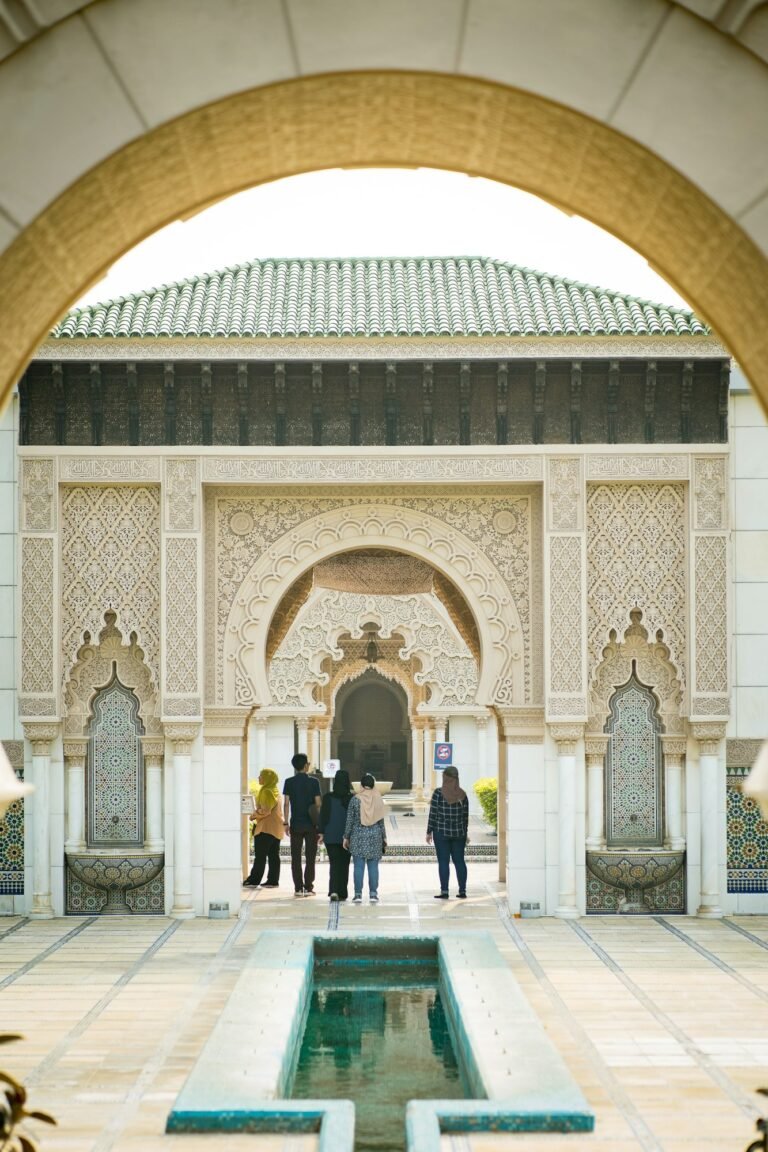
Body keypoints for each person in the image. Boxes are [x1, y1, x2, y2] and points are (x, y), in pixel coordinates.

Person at [426, 765, 469, 899]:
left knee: (443, 862)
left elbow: (433, 813)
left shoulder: (438, 793)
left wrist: (429, 832)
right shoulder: (462, 794)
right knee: (460, 861)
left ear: (446, 778)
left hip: (441, 833)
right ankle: (462, 891)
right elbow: (465, 816)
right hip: (459, 834)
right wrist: (465, 833)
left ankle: (444, 891)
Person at [343, 773, 387, 903]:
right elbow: (381, 821)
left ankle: (358, 895)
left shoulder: (355, 799)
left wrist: (346, 837)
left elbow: (349, 820)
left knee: (358, 866)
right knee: (373, 866)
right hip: (375, 835)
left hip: (358, 836)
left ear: (361, 785)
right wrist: (384, 837)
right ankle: (373, 894)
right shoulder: (378, 799)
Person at [283, 752, 321, 896]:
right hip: (311, 825)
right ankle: (309, 887)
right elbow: (318, 804)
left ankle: (298, 888)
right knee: (310, 857)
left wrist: (285, 822)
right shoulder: (314, 782)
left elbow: (286, 804)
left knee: (296, 857)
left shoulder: (289, 782)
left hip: (296, 824)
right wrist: (320, 823)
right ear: (306, 766)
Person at [243, 768, 283, 888]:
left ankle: (254, 879)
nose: (259, 778)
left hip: (265, 828)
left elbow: (266, 810)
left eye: (261, 776)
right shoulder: (276, 791)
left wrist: (254, 815)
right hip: (276, 828)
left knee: (260, 856)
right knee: (274, 855)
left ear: (267, 778)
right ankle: (273, 880)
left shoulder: (266, 791)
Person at [318, 769, 354, 902]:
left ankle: (333, 890)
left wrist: (321, 833)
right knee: (344, 864)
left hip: (331, 835)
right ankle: (343, 893)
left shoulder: (328, 798)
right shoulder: (352, 798)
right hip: (347, 837)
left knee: (334, 864)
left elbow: (323, 817)